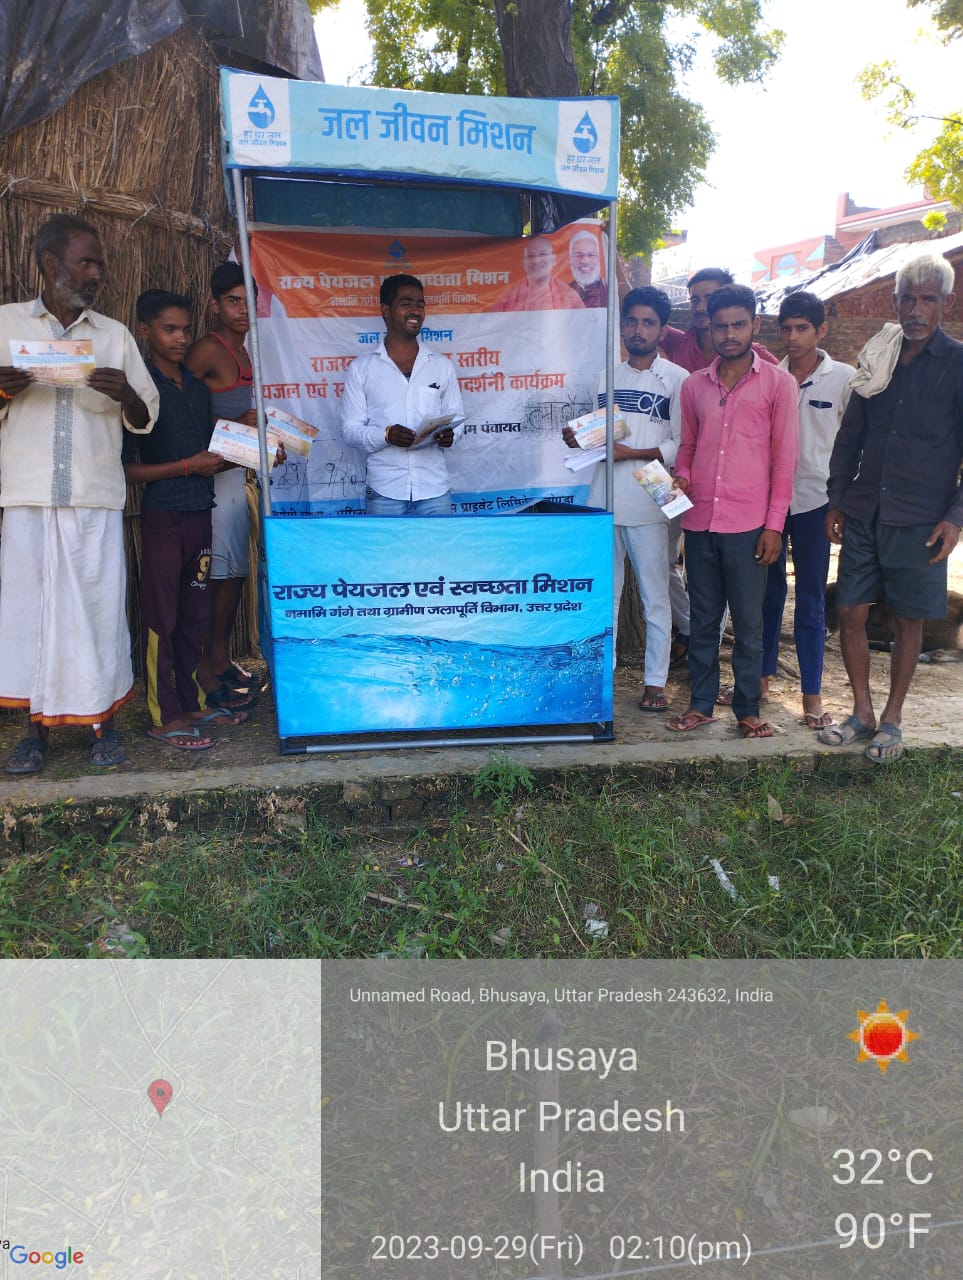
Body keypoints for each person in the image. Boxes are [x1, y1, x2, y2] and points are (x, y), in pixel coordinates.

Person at [0, 214, 158, 774]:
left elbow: (147, 414)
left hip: (93, 497)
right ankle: (34, 731)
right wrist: (2, 388)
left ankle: (103, 723)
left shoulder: (114, 336)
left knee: (96, 610)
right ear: (51, 264)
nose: (96, 273)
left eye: (99, 264)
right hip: (28, 497)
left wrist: (125, 395)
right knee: (30, 615)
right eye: (86, 262)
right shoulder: (6, 324)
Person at [820, 253, 963, 764]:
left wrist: (956, 518)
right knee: (850, 610)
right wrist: (837, 498)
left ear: (946, 303)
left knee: (908, 621)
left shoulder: (958, 363)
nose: (916, 310)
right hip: (865, 509)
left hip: (923, 518)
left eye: (927, 299)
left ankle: (892, 719)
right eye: (907, 299)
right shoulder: (879, 356)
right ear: (895, 302)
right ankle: (861, 712)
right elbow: (849, 436)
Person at [668, 284, 798, 738]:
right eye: (720, 326)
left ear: (754, 326)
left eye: (738, 325)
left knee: (748, 621)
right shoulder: (694, 386)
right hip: (700, 521)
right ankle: (700, 703)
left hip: (750, 525)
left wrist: (774, 527)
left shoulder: (779, 384)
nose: (729, 334)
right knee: (703, 619)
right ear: (709, 327)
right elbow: (687, 447)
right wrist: (682, 475)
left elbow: (784, 461)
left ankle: (747, 707)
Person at [123, 290, 247, 752]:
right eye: (169, 329)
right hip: (163, 515)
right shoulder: (140, 391)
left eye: (186, 330)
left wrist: (254, 451)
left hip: (200, 512)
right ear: (145, 331)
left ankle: (192, 702)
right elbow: (128, 470)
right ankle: (163, 716)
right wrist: (187, 467)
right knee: (162, 616)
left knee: (194, 614)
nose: (179, 339)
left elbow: (210, 456)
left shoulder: (196, 388)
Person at [564, 287, 688, 710]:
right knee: (607, 593)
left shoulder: (677, 379)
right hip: (604, 491)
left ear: (662, 330)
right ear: (622, 327)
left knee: (655, 593)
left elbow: (680, 444)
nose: (638, 329)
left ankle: (655, 681)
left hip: (654, 487)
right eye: (632, 321)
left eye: (648, 322)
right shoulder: (606, 376)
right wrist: (580, 437)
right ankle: (604, 675)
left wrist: (633, 453)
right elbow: (602, 436)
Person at [761, 292, 854, 729]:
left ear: (822, 330)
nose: (793, 337)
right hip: (769, 503)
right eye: (787, 328)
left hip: (819, 503)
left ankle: (812, 696)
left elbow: (855, 444)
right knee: (767, 593)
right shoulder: (769, 377)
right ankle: (760, 681)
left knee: (811, 599)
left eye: (802, 328)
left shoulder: (845, 379)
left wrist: (843, 502)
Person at [185, 263, 258, 707]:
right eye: (233, 301)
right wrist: (239, 427)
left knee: (232, 575)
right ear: (215, 305)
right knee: (213, 577)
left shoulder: (244, 352)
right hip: (209, 479)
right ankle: (204, 671)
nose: (242, 310)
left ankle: (220, 657)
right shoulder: (207, 351)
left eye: (248, 302)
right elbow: (182, 414)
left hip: (234, 472)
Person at [342, 274, 465, 515]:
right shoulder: (362, 368)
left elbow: (457, 418)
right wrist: (386, 435)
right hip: (385, 491)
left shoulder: (441, 366)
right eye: (406, 303)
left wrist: (450, 435)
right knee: (384, 544)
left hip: (434, 490)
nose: (416, 311)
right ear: (385, 310)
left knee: (439, 543)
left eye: (420, 304)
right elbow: (350, 431)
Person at [661, 267, 777, 374]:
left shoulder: (752, 354)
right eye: (695, 300)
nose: (700, 307)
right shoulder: (677, 342)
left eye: (709, 299)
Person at [492, 236, 585, 312]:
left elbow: (583, 326)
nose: (536, 260)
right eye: (530, 255)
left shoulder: (569, 296)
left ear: (553, 260)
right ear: (524, 262)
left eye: (542, 254)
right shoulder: (509, 296)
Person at [568, 229, 608, 308]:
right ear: (570, 259)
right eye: (578, 255)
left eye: (591, 255)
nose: (585, 261)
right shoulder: (563, 292)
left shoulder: (609, 290)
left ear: (598, 258)